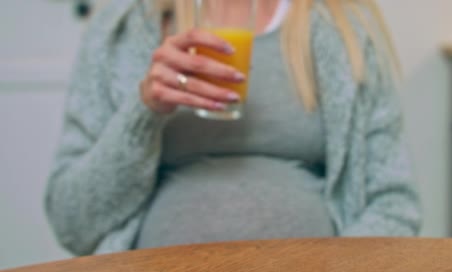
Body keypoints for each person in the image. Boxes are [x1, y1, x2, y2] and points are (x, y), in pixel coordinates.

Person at [45, 0, 422, 256]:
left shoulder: (343, 28)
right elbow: (72, 223)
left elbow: (394, 202)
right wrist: (143, 113)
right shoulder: (122, 29)